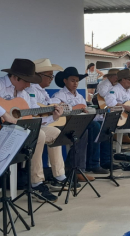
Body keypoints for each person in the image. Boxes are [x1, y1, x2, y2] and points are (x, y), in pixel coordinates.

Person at [1, 59, 63, 202]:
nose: (29, 85)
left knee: (54, 133)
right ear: (16, 77)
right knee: (39, 135)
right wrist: (4, 114)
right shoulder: (1, 85)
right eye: (27, 81)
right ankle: (36, 182)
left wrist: (53, 117)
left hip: (21, 130)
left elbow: (34, 116)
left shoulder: (24, 94)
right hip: (4, 131)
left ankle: (59, 176)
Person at [25, 58, 92, 187]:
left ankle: (60, 175)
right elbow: (33, 113)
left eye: (52, 76)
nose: (51, 79)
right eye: (49, 76)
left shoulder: (43, 92)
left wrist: (54, 114)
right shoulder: (31, 90)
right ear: (39, 76)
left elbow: (47, 111)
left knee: (57, 133)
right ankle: (37, 181)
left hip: (44, 124)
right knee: (43, 135)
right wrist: (55, 113)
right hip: (33, 127)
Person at [53, 67, 113, 174]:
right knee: (92, 127)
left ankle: (94, 163)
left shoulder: (80, 97)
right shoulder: (59, 96)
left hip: (81, 122)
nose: (75, 83)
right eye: (72, 80)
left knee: (99, 124)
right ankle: (81, 168)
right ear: (65, 81)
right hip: (67, 124)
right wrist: (72, 110)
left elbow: (86, 111)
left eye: (77, 81)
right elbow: (57, 109)